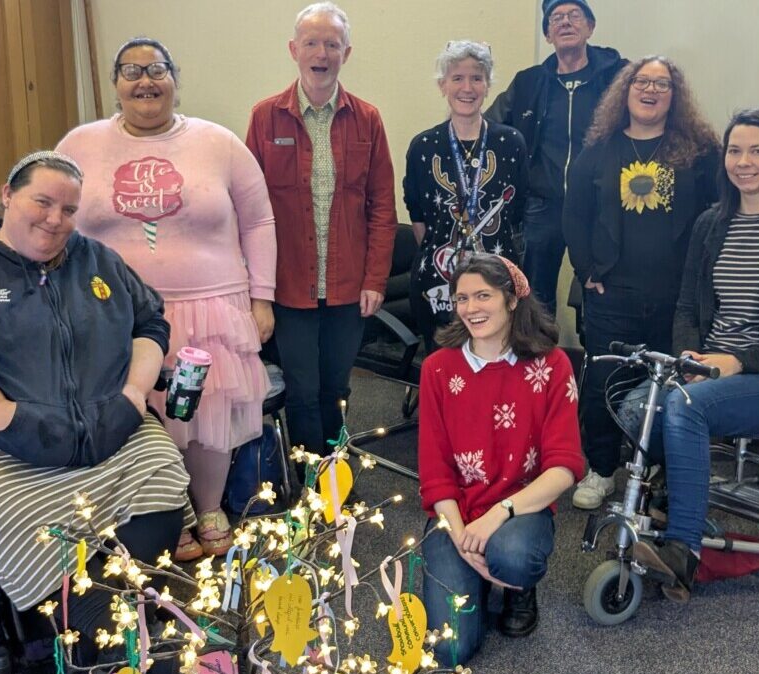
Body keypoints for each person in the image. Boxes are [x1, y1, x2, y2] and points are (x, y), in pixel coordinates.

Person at [0, 152, 190, 656]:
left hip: (111, 429)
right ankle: (111, 644)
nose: (55, 220)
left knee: (162, 468)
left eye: (69, 210)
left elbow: (149, 321)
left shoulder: (97, 259)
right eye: (42, 202)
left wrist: (133, 397)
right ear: (7, 195)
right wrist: (3, 413)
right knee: (17, 518)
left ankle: (126, 617)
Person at [56, 38, 276, 561]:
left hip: (211, 308)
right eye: (131, 71)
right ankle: (165, 509)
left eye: (156, 69)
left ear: (176, 78)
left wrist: (262, 297)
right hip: (115, 312)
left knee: (208, 414)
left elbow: (260, 220)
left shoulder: (218, 142)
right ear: (115, 84)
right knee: (144, 411)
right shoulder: (79, 144)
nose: (145, 80)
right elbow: (53, 217)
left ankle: (208, 507)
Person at [628, 109, 759, 602]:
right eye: (735, 151)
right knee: (634, 405)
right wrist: (689, 355)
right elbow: (686, 306)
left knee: (684, 406)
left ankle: (683, 550)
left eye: (757, 150)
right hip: (710, 365)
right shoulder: (710, 223)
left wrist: (738, 362)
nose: (744, 162)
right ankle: (684, 507)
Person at [563, 56, 722, 509]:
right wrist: (586, 269)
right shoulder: (599, 151)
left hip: (677, 298)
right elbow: (574, 216)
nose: (650, 90)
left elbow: (716, 217)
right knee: (602, 385)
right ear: (625, 91)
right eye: (642, 82)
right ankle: (601, 469)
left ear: (676, 96)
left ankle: (652, 465)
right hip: (613, 295)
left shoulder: (697, 153)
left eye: (662, 84)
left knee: (673, 388)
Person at [245, 2, 396, 457]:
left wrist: (374, 280)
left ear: (346, 53)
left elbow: (383, 208)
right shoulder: (265, 117)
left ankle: (335, 471)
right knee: (302, 389)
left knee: (336, 386)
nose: (322, 52)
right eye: (312, 42)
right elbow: (249, 212)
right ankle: (310, 483)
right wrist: (258, 293)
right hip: (289, 285)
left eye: (332, 43)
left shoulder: (366, 119)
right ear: (294, 49)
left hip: (348, 287)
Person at [417, 254, 582, 665]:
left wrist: (497, 516)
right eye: (461, 298)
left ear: (511, 300)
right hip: (456, 514)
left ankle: (516, 585)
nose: (471, 308)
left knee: (512, 557)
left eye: (483, 296)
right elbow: (435, 472)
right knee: (449, 650)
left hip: (520, 511)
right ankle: (473, 569)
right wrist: (461, 539)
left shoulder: (551, 364)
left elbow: (564, 467)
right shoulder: (438, 369)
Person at [485, 0, 626, 314]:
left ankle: (597, 359)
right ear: (548, 35)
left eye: (574, 15)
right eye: (556, 18)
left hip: (598, 205)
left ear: (590, 27)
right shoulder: (528, 82)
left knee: (600, 289)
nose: (566, 22)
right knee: (534, 294)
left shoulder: (618, 76)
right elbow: (490, 129)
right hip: (542, 206)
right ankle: (537, 358)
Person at [403, 40, 528, 348]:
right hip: (438, 282)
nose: (467, 87)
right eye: (457, 78)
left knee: (495, 360)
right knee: (444, 365)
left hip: (498, 281)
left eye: (477, 78)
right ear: (443, 84)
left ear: (488, 86)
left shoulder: (511, 142)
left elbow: (519, 211)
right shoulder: (423, 146)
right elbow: (417, 216)